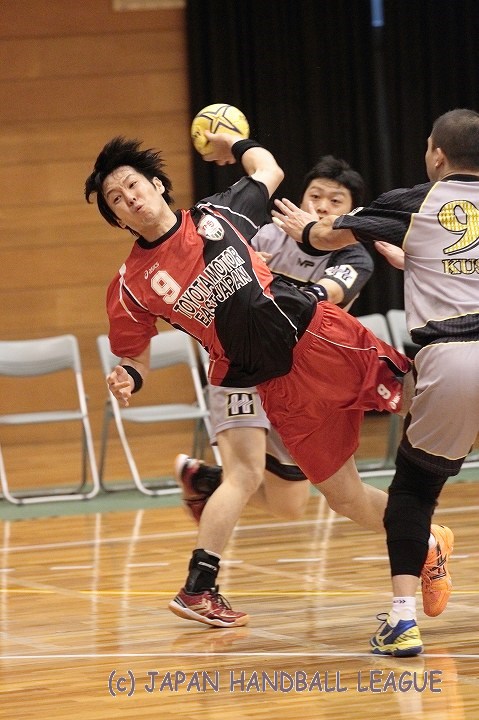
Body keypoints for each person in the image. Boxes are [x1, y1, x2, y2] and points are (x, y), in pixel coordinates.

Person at [84, 130, 436, 632]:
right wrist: (128, 376)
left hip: (316, 336)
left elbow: (268, 169)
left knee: (421, 402)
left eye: (133, 185)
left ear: (157, 184)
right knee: (343, 497)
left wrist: (234, 141)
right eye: (117, 199)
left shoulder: (218, 213)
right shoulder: (130, 285)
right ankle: (427, 541)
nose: (130, 198)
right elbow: (134, 355)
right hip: (269, 383)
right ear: (118, 219)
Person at [271, 107, 479, 656]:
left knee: (413, 492)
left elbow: (326, 237)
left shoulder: (415, 202)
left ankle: (403, 621)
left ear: (438, 154)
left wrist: (305, 229)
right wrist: (417, 263)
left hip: (454, 359)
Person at [176, 155, 374, 524]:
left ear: (351, 213)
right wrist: (241, 264)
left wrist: (263, 280)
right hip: (243, 366)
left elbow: (328, 292)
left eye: (335, 201)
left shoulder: (354, 255)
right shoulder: (262, 235)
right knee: (246, 474)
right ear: (301, 199)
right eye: (315, 195)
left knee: (289, 506)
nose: (322, 206)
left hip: (298, 378)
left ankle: (205, 480)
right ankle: (206, 559)